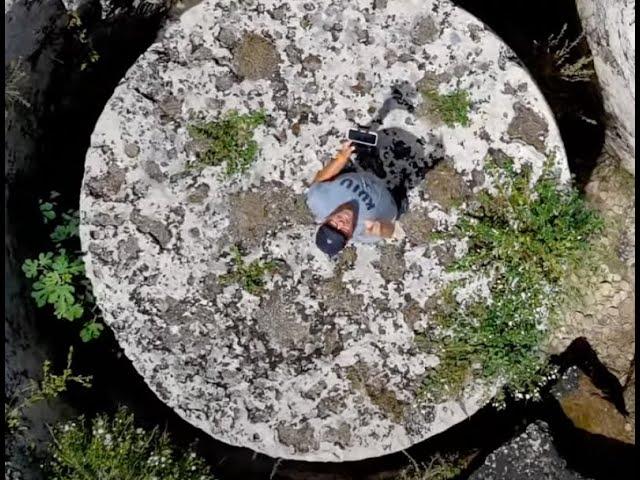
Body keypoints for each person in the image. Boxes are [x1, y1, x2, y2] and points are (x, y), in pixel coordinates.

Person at [306, 140, 404, 257]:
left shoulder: (317, 199)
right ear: (349, 237)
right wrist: (380, 230)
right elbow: (391, 230)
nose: (341, 223)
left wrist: (340, 159)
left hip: (358, 174)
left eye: (332, 225)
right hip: (391, 195)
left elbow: (319, 179)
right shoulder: (364, 233)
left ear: (324, 220)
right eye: (342, 231)